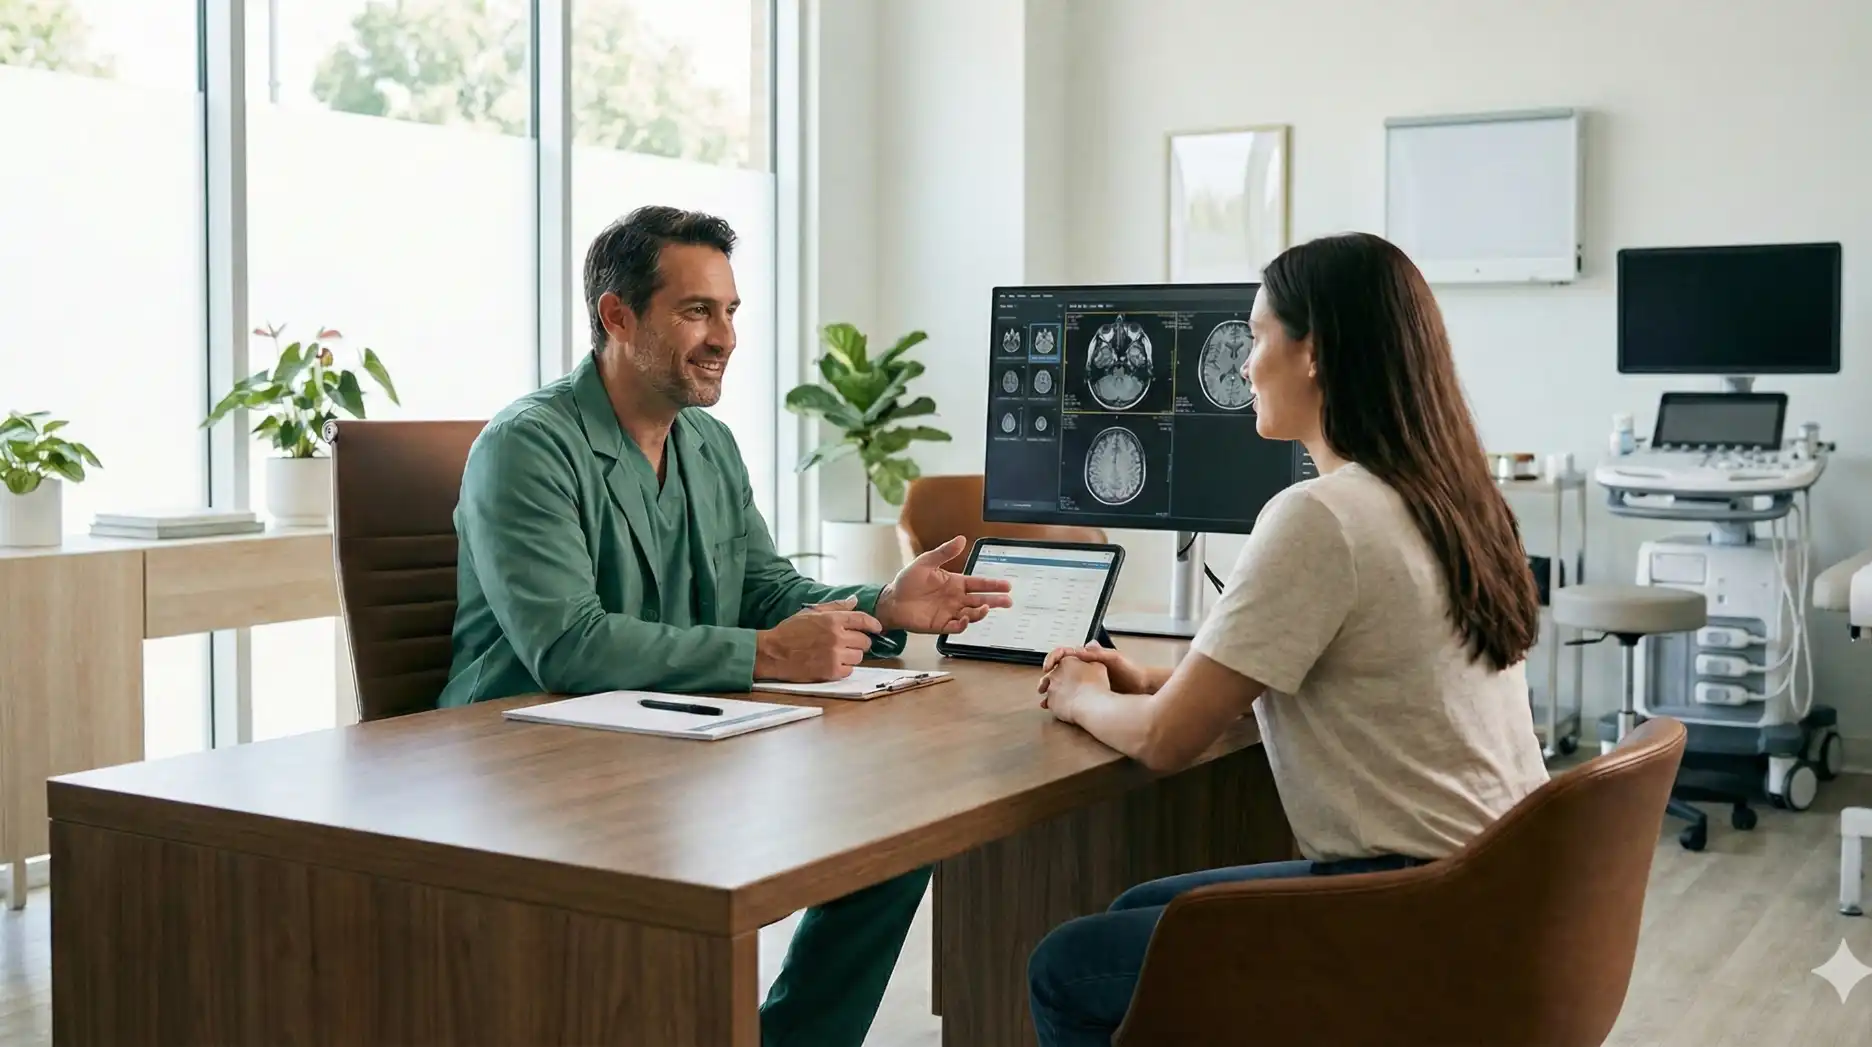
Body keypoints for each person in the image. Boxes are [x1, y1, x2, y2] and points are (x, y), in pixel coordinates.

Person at [440, 204, 1012, 1047]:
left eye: (732, 311)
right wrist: (766, 653)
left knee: (895, 835)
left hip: (667, 738)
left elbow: (764, 587)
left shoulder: (708, 443)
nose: (725, 337)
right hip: (527, 753)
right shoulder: (527, 446)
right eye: (697, 310)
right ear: (616, 315)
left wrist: (882, 604)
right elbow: (568, 643)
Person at [1025, 232, 1551, 1047]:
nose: (1241, 364)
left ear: (1313, 353)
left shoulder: (1320, 516)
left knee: (1068, 966)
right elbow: (1346, 668)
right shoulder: (1451, 497)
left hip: (1408, 913)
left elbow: (1168, 742)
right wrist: (1156, 674)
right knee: (1138, 912)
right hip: (1495, 892)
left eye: (1257, 335)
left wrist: (1083, 695)